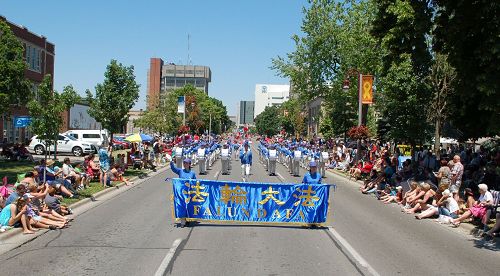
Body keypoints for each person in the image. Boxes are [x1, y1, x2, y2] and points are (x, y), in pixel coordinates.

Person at [170, 158, 196, 227]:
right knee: (181, 206)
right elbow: (173, 169)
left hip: (189, 192)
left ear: (189, 164)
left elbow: (195, 182)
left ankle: (187, 219)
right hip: (181, 192)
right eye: (184, 163)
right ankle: (182, 222)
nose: (185, 164)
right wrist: (171, 162)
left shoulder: (192, 173)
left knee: (188, 206)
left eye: (186, 163)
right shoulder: (180, 171)